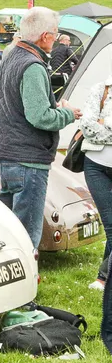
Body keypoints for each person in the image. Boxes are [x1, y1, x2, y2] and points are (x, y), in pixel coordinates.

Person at [0, 8, 81, 249]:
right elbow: (39, 117)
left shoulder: (11, 55)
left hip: (8, 155)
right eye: (55, 33)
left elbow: (18, 105)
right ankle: (27, 284)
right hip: (28, 161)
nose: (56, 38)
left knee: (7, 235)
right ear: (45, 36)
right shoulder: (32, 65)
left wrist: (53, 106)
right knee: (25, 239)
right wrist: (67, 113)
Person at [79, 75, 112, 296]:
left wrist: (104, 124)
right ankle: (103, 279)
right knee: (111, 226)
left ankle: (103, 278)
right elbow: (87, 126)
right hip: (96, 165)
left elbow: (97, 126)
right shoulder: (100, 89)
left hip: (99, 154)